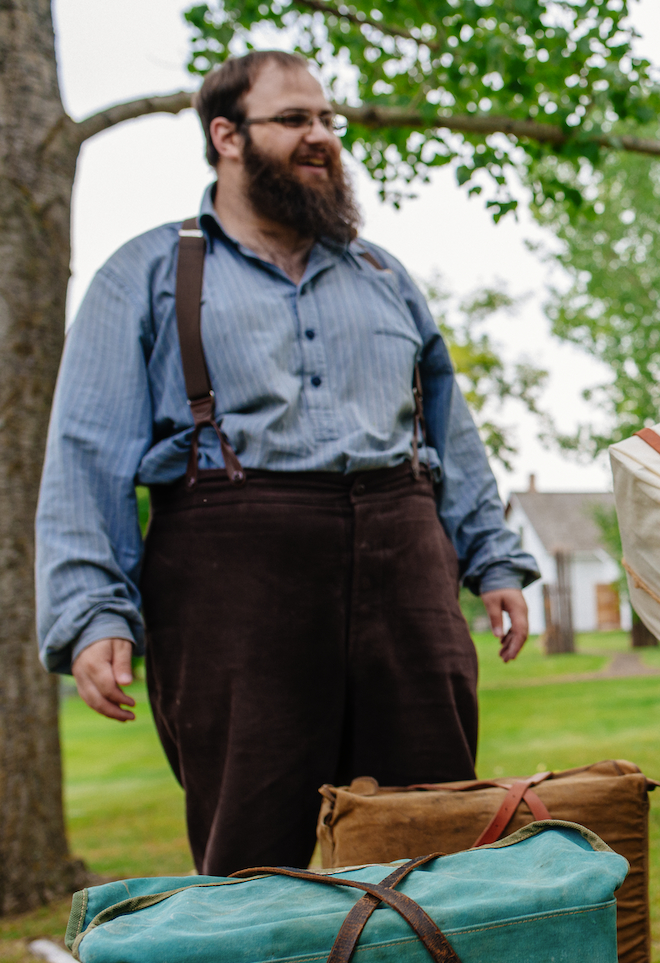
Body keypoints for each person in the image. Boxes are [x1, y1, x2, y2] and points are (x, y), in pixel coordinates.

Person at [34, 51, 539, 877]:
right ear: (226, 136)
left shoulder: (384, 277)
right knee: (253, 855)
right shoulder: (149, 274)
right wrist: (94, 611)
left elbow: (447, 430)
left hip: (405, 566)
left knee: (433, 833)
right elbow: (86, 456)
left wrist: (491, 556)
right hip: (234, 579)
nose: (321, 137)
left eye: (327, 120)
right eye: (295, 120)